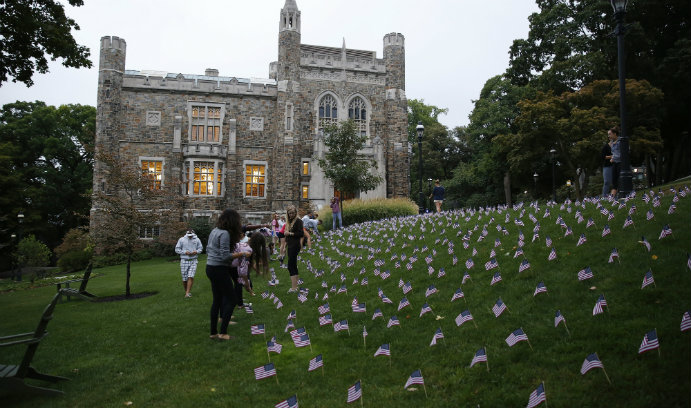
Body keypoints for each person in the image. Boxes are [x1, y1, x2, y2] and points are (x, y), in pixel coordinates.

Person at [206, 209, 249, 341]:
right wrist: (242, 254)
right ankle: (223, 333)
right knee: (232, 299)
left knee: (217, 300)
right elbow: (225, 257)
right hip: (219, 269)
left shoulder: (215, 231)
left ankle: (213, 333)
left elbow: (208, 249)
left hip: (210, 268)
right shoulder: (224, 234)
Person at [175, 229, 203, 298]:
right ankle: (187, 292)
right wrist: (185, 252)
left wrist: (196, 251)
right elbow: (177, 249)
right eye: (189, 235)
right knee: (184, 279)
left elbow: (200, 248)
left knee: (191, 276)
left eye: (191, 235)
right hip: (184, 260)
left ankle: (187, 293)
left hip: (193, 260)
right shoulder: (181, 239)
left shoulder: (197, 239)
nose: (190, 237)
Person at [283, 205, 304, 293]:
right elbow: (287, 237)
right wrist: (284, 246)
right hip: (290, 245)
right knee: (292, 265)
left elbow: (301, 233)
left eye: (292, 213)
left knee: (291, 265)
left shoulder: (298, 221)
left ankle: (294, 287)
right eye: (289, 213)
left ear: (295, 213)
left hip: (295, 245)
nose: (291, 215)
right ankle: (295, 286)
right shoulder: (289, 222)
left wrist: (290, 233)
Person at [609, 126, 621, 197]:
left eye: (610, 134)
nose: (609, 136)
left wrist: (614, 158)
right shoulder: (612, 143)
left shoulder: (621, 142)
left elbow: (623, 153)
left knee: (620, 179)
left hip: (620, 163)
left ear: (615, 134)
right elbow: (614, 153)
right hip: (614, 163)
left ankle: (621, 194)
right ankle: (612, 196)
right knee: (614, 180)